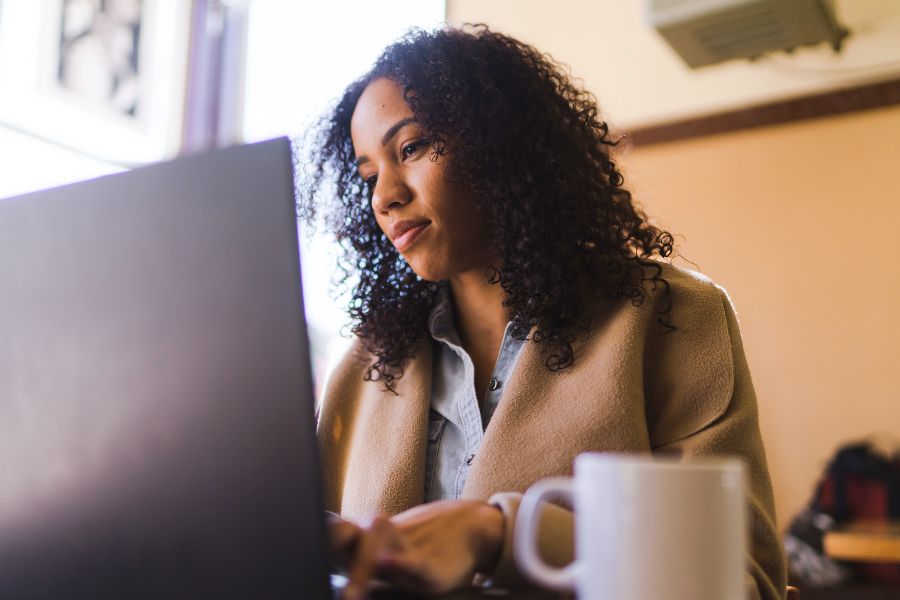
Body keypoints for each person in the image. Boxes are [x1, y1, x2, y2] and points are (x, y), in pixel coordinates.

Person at [299, 25, 787, 600]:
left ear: (499, 142)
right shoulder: (364, 367)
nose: (385, 196)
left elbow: (740, 580)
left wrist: (506, 535)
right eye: (370, 176)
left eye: (410, 149)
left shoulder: (670, 318)